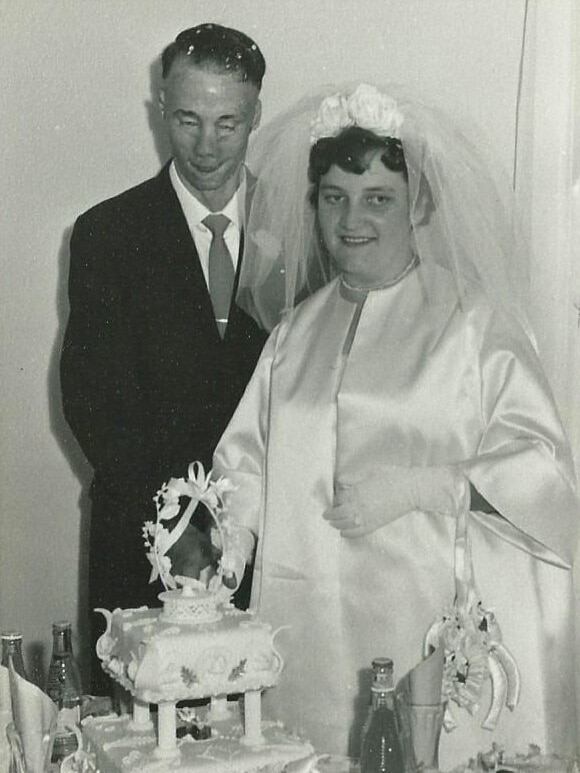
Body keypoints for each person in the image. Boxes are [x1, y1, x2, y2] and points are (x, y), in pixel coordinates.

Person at [212, 84, 579, 767]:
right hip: (308, 628)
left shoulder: (472, 322)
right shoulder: (294, 332)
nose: (351, 219)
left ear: (420, 205)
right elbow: (244, 463)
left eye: (377, 198)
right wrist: (226, 543)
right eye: (333, 197)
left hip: (421, 627)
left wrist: (428, 485)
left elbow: (544, 468)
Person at [60, 23, 269, 694]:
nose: (206, 146)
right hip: (144, 554)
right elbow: (94, 402)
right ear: (159, 108)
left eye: (227, 123)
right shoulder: (106, 233)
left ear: (256, 115)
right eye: (187, 118)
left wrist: (243, 530)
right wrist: (184, 527)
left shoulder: (302, 227)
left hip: (270, 555)